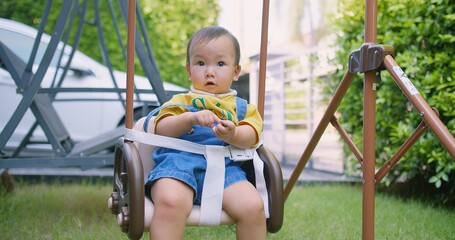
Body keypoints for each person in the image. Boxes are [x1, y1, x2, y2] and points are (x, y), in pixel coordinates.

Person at [144, 26, 266, 240]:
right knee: (171, 201)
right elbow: (159, 128)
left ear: (236, 71)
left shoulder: (244, 108)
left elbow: (252, 135)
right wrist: (188, 118)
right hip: (177, 165)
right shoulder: (180, 102)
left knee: (253, 206)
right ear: (189, 70)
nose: (210, 71)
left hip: (226, 169)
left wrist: (233, 134)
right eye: (200, 63)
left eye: (220, 64)